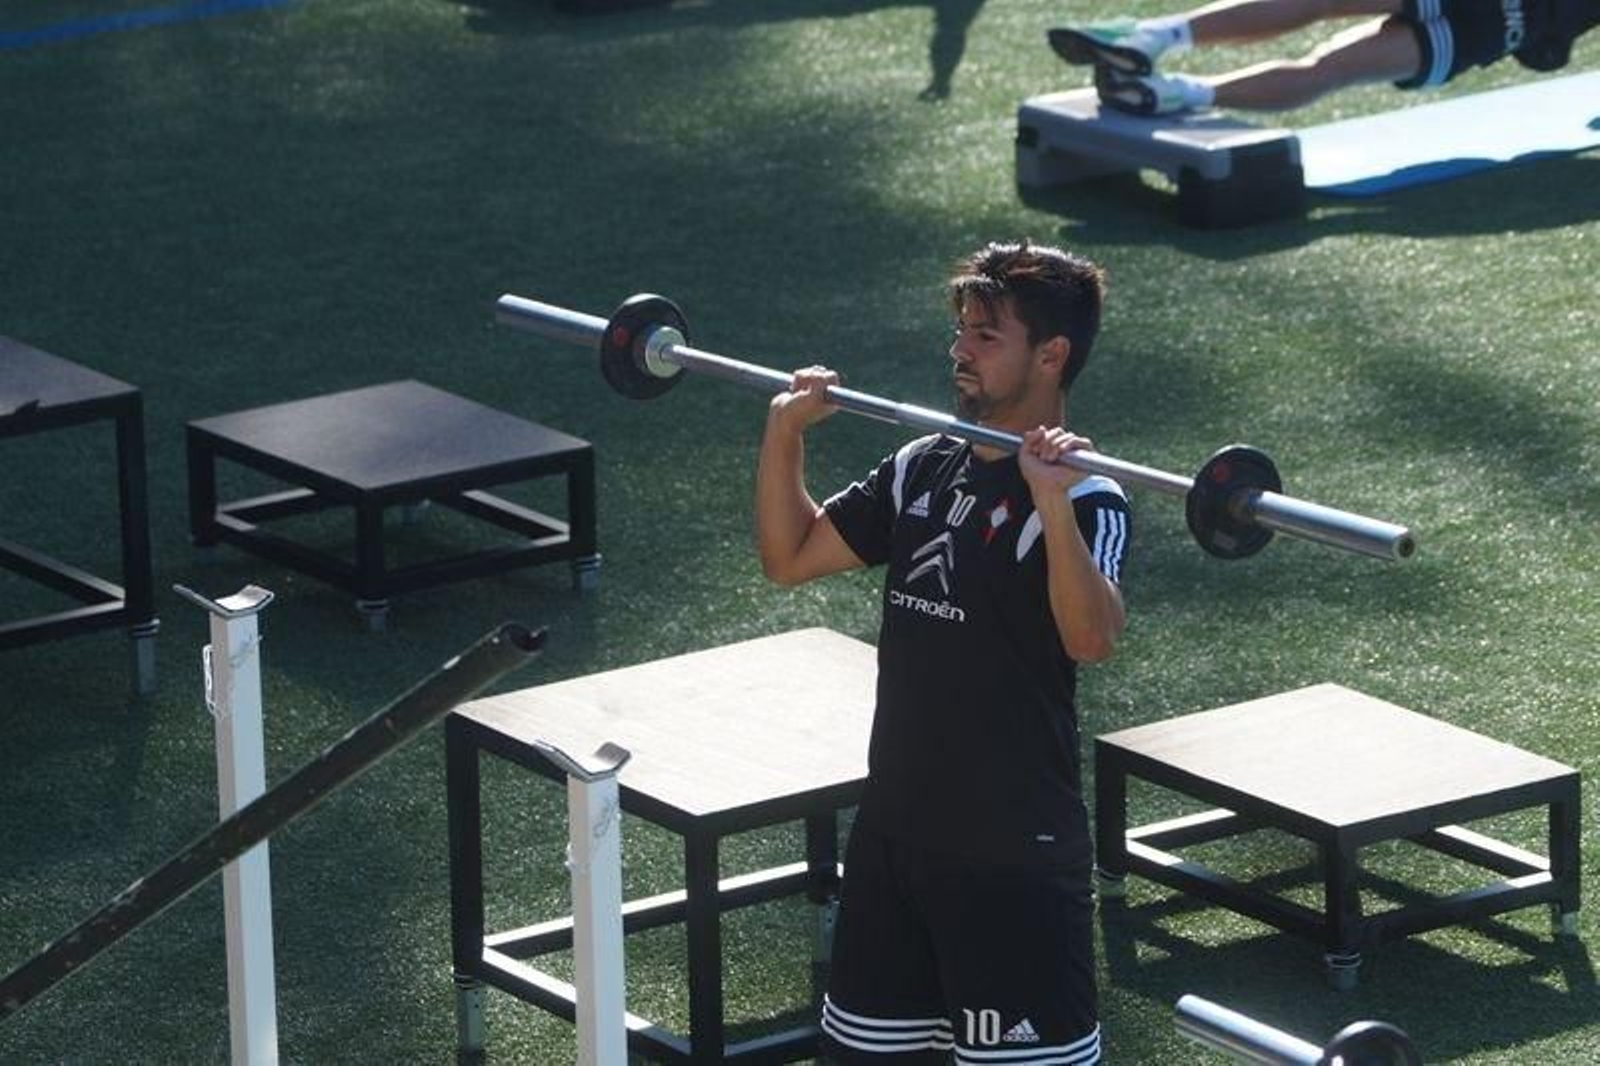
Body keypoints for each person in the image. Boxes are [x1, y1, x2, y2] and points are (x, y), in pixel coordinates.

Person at [755, 241, 1130, 1065]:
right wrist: (786, 433)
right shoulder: (922, 467)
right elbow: (790, 558)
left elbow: (1092, 638)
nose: (960, 350)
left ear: (1051, 353)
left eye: (986, 336)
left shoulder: (1089, 497)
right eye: (962, 330)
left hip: (1013, 863)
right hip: (896, 843)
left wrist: (1050, 502)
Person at [1047, 0, 1600, 115]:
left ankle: (1152, 38)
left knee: (1315, 3)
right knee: (1328, 71)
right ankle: (1176, 95)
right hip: (1506, 28)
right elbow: (1547, 57)